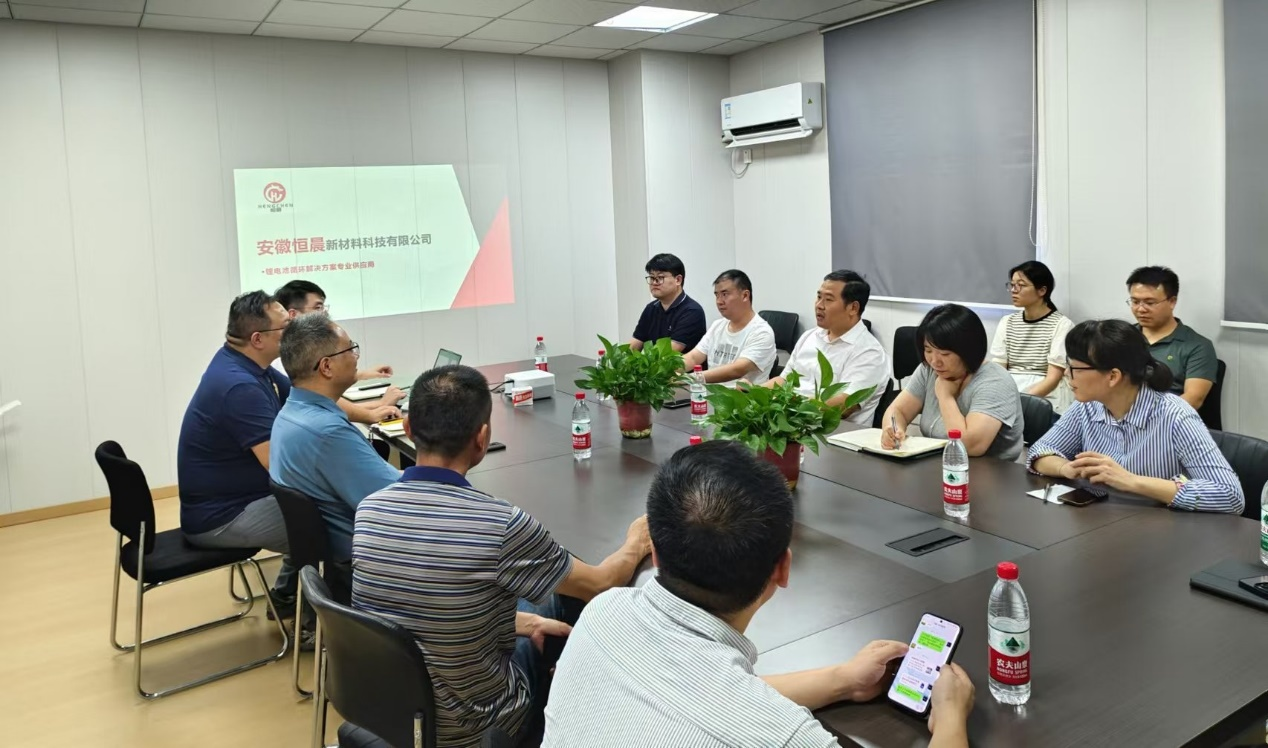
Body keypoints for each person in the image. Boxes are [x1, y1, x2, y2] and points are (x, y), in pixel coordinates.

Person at [543, 440, 976, 748]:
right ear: (783, 569)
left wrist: (841, 681)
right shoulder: (784, 738)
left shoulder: (603, 613)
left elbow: (706, 692)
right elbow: (726, 703)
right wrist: (951, 722)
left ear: (654, 551)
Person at [352, 365, 653, 747]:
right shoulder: (501, 524)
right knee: (563, 598)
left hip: (392, 715)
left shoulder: (369, 510)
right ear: (482, 438)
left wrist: (524, 622)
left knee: (533, 603)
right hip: (476, 727)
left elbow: (423, 605)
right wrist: (637, 540)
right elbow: (599, 584)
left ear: (408, 429)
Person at [1028, 320, 1244, 514]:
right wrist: (1065, 468)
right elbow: (1040, 451)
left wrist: (1131, 481)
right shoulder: (1087, 406)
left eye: (1075, 368)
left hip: (1161, 530)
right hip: (1102, 522)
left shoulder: (1175, 415)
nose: (1066, 373)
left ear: (1113, 376)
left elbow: (1230, 495)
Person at [270, 313, 403, 601]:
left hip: (334, 555)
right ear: (326, 366)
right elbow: (397, 503)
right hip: (368, 561)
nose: (356, 356)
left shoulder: (292, 413)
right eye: (350, 349)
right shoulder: (326, 432)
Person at [178, 291, 295, 599]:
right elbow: (278, 465)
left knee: (323, 506)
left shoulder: (246, 363)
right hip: (222, 517)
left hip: (237, 500)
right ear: (258, 339)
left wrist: (369, 412)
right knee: (330, 521)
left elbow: (304, 394)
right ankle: (304, 609)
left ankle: (291, 594)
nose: (293, 333)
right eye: (285, 327)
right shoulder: (239, 385)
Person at [881, 304, 1024, 460]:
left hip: (988, 470)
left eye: (945, 354)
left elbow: (970, 446)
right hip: (937, 463)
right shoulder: (928, 370)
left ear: (969, 350)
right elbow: (898, 410)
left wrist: (945, 397)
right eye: (928, 350)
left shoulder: (995, 382)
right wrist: (893, 430)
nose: (935, 361)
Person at [765, 270, 889, 425]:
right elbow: (784, 380)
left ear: (853, 308)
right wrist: (753, 392)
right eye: (819, 297)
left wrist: (787, 404)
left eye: (828, 300)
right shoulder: (809, 336)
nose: (819, 305)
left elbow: (843, 406)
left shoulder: (870, 353)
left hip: (831, 432)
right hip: (789, 421)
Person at [274, 280, 403, 423]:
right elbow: (322, 401)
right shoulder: (290, 354)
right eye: (318, 307)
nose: (325, 313)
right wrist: (378, 407)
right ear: (293, 314)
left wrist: (362, 374)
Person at [1125, 266, 1218, 411]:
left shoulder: (1197, 346)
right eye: (1135, 302)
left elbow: (1193, 400)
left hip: (1167, 419)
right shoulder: (1122, 337)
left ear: (1172, 302)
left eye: (1150, 303)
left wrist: (1145, 417)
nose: (1141, 309)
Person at [989, 260, 1074, 412]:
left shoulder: (1062, 325)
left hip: (1044, 395)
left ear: (1042, 290)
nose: (1014, 290)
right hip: (1009, 390)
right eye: (1012, 285)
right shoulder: (1007, 322)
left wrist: (1020, 401)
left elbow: (1053, 378)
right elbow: (998, 370)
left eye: (1020, 285)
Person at [680, 269, 777, 385]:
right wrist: (666, 370)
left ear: (745, 295)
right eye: (717, 295)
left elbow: (737, 370)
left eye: (725, 294)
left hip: (740, 396)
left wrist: (686, 379)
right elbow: (693, 357)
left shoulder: (762, 332)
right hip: (711, 394)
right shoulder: (717, 326)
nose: (719, 301)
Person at [630, 253, 707, 353]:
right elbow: (634, 344)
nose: (654, 283)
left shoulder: (692, 311)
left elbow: (668, 353)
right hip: (654, 363)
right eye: (652, 278)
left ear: (678, 280)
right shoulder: (651, 308)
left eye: (660, 278)